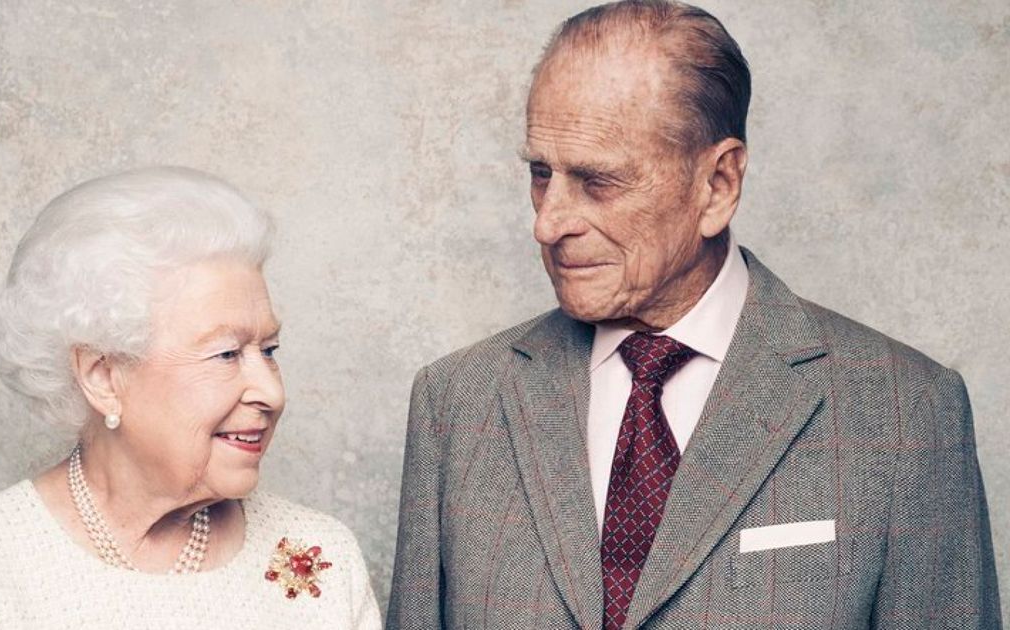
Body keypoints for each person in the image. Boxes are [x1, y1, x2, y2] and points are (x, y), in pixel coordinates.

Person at [386, 2, 1001, 629]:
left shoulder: (905, 412)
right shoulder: (456, 403)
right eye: (542, 174)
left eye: (599, 182)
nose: (548, 223)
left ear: (718, 185)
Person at [0, 167, 381, 629]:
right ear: (103, 376)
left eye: (269, 351)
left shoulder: (323, 554)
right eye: (227, 354)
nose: (272, 393)